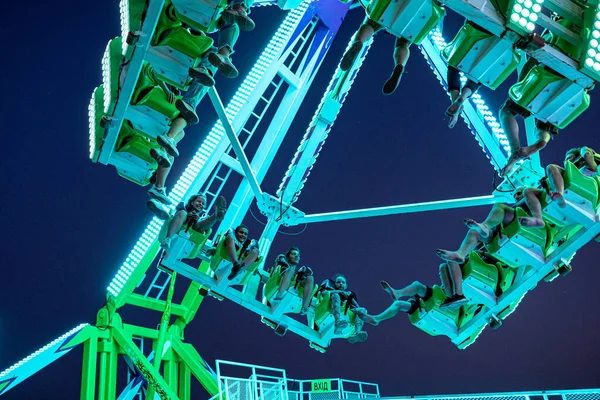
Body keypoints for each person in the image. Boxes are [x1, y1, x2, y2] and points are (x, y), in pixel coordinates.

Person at [435, 187, 545, 308]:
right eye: (514, 196)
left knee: (500, 206)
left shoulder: (532, 202)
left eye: (519, 194)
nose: (516, 197)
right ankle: (456, 295)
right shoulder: (509, 212)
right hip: (503, 239)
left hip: (527, 233)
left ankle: (485, 227)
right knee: (471, 236)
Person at [498, 59, 558, 177]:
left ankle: (514, 150)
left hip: (543, 79)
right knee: (548, 120)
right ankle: (541, 141)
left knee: (506, 111)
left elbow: (529, 63)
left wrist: (520, 86)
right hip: (567, 91)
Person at [340, 18, 411, 95]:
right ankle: (400, 64)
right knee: (403, 43)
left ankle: (359, 41)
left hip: (388, 8)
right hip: (415, 16)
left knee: (370, 24)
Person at [160, 194, 227, 251]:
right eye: (199, 201)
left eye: (203, 204)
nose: (201, 204)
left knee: (199, 225)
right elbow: (177, 214)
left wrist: (195, 221)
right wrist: (188, 216)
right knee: (183, 213)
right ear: (192, 202)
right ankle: (167, 239)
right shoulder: (182, 207)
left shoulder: (201, 218)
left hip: (192, 238)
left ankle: (216, 214)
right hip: (175, 231)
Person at [355, 280, 435, 325]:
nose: (439, 274)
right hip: (421, 304)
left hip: (437, 299)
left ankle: (398, 293)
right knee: (398, 304)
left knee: (417, 285)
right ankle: (376, 318)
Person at [318, 274, 368, 343]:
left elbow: (357, 307)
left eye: (343, 282)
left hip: (345, 313)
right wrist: (339, 292)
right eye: (338, 282)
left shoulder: (349, 294)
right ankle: (337, 322)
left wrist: (350, 298)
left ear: (346, 286)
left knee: (363, 310)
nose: (341, 284)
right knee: (336, 295)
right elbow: (323, 293)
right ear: (335, 284)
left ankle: (357, 332)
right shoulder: (332, 290)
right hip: (329, 310)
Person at [271, 247, 315, 315]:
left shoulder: (296, 274)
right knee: (290, 270)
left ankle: (304, 307)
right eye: (294, 254)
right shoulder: (282, 264)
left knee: (310, 278)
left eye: (298, 255)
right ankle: (278, 297)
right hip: (277, 287)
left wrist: (303, 274)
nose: (296, 256)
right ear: (288, 256)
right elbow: (274, 273)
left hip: (293, 289)